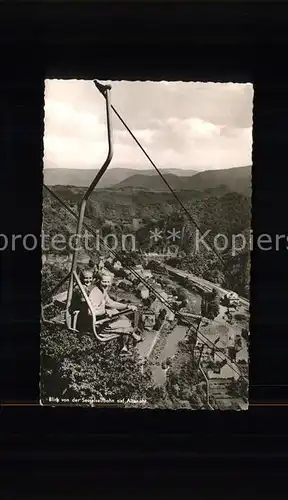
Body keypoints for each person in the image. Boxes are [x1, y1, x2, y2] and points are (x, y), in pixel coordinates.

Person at [70, 268, 142, 355]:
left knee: (121, 317)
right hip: (93, 323)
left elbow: (110, 303)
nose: (106, 284)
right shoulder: (95, 292)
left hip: (98, 319)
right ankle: (126, 343)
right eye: (104, 282)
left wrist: (127, 306)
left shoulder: (102, 290)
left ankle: (124, 346)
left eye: (108, 282)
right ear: (98, 281)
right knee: (125, 322)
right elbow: (90, 312)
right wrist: (105, 312)